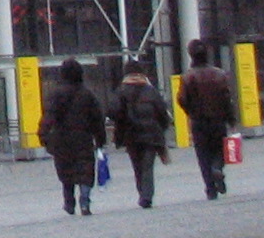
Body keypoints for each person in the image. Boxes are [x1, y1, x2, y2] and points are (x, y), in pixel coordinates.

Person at [39, 57, 106, 216]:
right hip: (83, 138)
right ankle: (84, 201)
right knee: (85, 170)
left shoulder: (56, 94)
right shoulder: (87, 94)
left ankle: (69, 202)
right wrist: (100, 139)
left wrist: (43, 134)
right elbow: (97, 119)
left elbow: (49, 116)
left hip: (61, 139)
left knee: (66, 171)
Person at [107, 61, 171, 209]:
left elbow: (112, 112)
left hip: (131, 134)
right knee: (147, 166)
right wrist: (162, 128)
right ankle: (146, 196)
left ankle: (143, 193)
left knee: (137, 166)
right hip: (151, 134)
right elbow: (162, 112)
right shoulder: (151, 90)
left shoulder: (121, 91)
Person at [178, 37, 237, 199]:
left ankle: (210, 189)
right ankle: (217, 168)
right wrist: (231, 119)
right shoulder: (220, 74)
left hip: (198, 121)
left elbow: (181, 99)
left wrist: (191, 111)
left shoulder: (188, 77)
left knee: (203, 155)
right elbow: (227, 99)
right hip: (218, 120)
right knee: (219, 150)